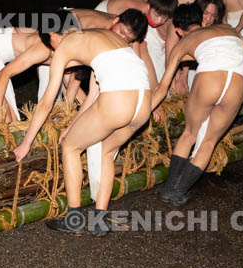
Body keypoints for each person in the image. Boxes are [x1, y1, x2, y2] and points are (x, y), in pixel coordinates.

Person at [13, 28, 152, 236]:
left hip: (118, 99)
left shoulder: (64, 47)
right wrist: (73, 126)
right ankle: (99, 222)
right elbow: (93, 95)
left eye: (50, 45)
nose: (53, 50)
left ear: (53, 36)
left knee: (69, 147)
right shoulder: (103, 38)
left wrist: (26, 142)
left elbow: (46, 103)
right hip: (143, 104)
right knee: (106, 152)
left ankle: (74, 219)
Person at [151, 4, 243, 206]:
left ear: (178, 30)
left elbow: (163, 87)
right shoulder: (228, 29)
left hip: (209, 81)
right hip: (236, 84)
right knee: (209, 141)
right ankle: (180, 192)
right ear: (202, 21)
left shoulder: (183, 42)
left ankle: (169, 190)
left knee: (190, 134)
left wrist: (149, 107)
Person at [0, 27, 56, 121]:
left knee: (14, 121)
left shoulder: (39, 34)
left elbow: (16, 30)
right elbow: (4, 74)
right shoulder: (43, 50)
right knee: (5, 119)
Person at [95, 0, 178, 83]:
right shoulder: (133, 11)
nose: (159, 21)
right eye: (157, 15)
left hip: (125, 20)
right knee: (140, 51)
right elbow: (137, 50)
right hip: (107, 18)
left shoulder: (158, 1)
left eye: (164, 18)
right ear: (148, 7)